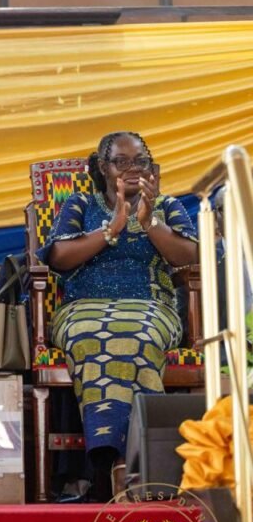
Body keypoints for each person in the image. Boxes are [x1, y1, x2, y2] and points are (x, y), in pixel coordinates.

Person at [40, 131, 198, 502]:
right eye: (121, 162)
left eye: (140, 161)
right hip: (83, 308)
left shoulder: (167, 206)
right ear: (102, 167)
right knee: (92, 335)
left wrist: (149, 222)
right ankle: (129, 468)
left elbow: (191, 255)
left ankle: (123, 466)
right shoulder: (81, 204)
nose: (132, 169)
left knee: (135, 337)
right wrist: (113, 226)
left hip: (151, 306)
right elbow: (59, 257)